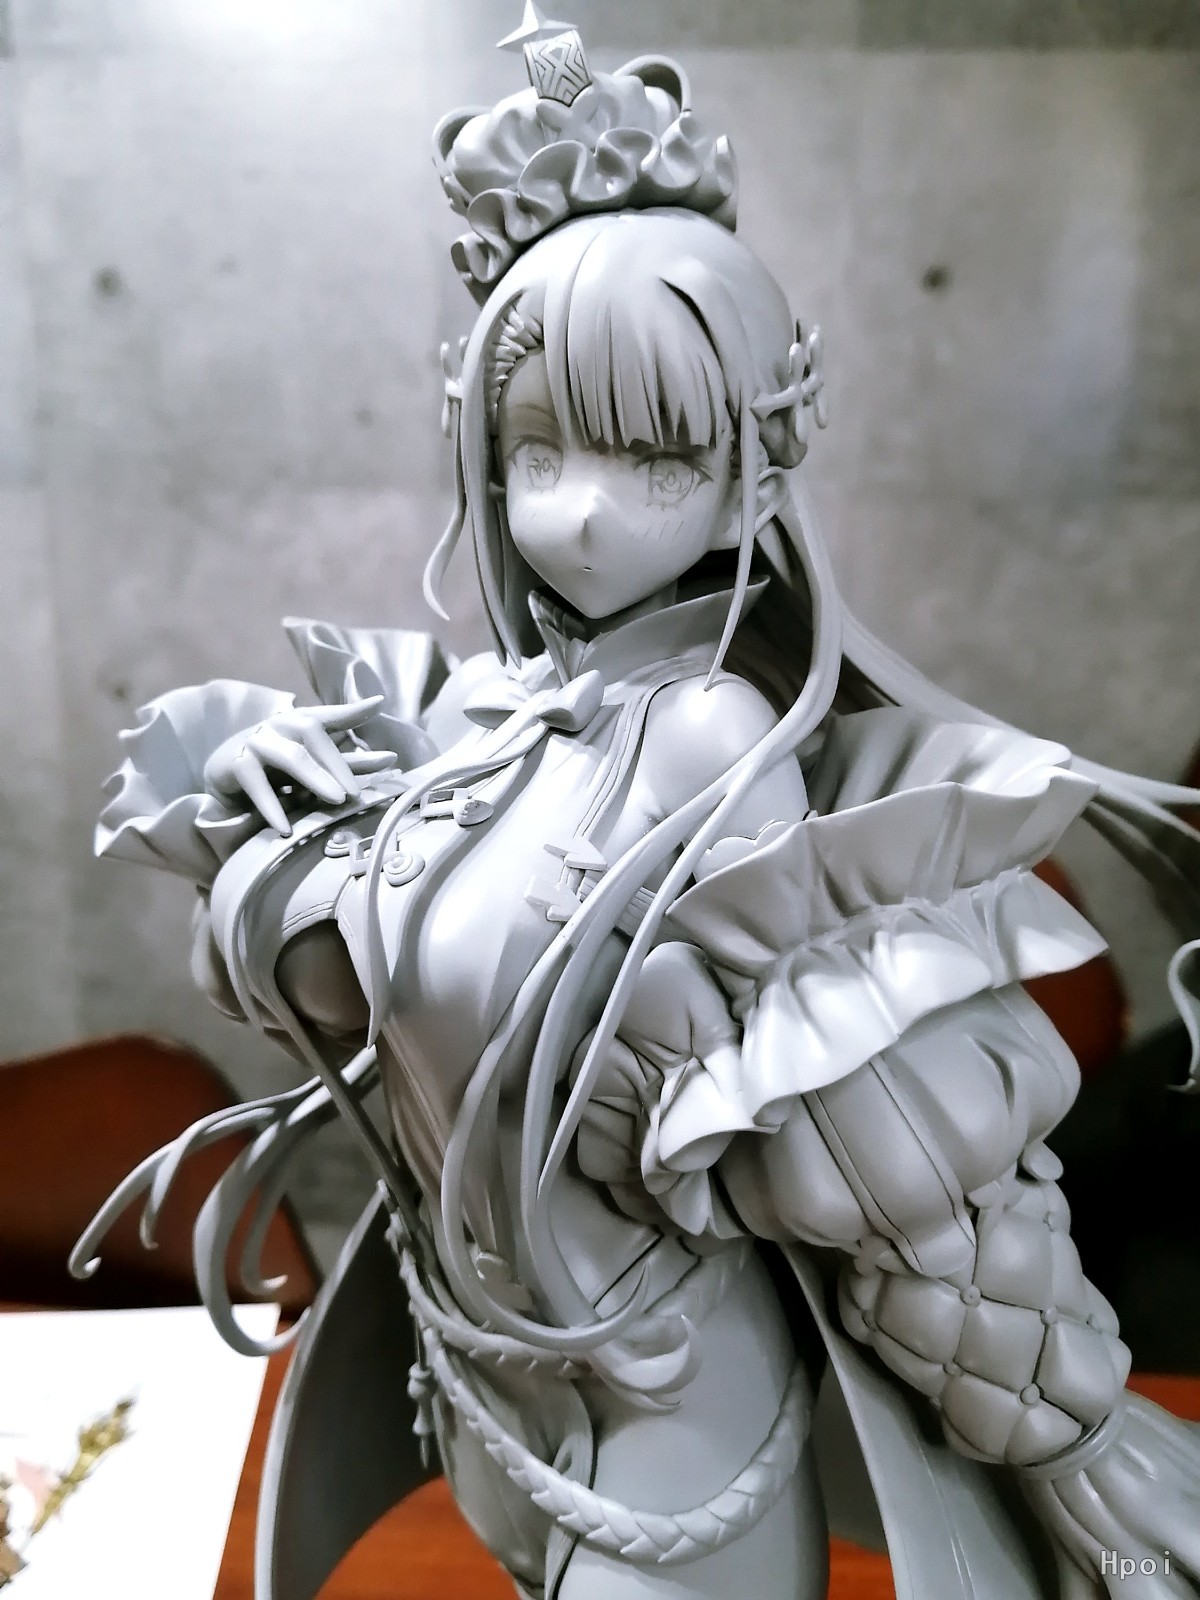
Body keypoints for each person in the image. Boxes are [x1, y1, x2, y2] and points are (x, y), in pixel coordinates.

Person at [81, 23, 1200, 1600]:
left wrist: (1061, 1433)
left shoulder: (708, 741)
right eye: (536, 450)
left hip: (677, 1433)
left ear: (754, 473)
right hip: (490, 1413)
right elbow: (309, 994)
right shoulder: (470, 722)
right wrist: (267, 825)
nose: (582, 512)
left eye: (656, 456)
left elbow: (864, 1149)